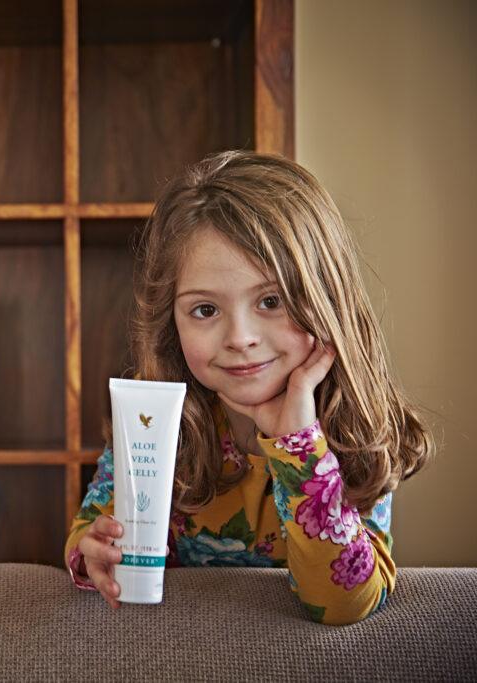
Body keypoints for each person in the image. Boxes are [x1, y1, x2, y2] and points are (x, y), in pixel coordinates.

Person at [65, 150, 433, 625]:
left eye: (271, 300)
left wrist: (298, 444)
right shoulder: (156, 417)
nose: (240, 338)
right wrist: (90, 550)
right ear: (170, 321)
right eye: (205, 310)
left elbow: (346, 604)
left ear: (326, 298)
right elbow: (87, 530)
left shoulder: (355, 427)